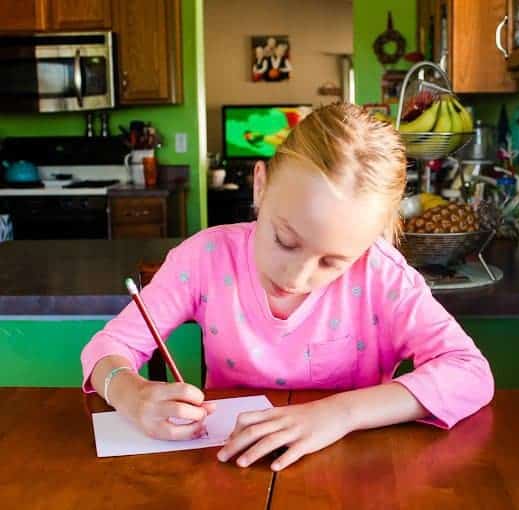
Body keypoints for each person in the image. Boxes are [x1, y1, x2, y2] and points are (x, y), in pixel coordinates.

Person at [81, 103, 494, 472]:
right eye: (285, 240)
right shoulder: (206, 257)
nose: (296, 278)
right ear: (260, 185)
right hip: (233, 467)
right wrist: (129, 393)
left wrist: (341, 414)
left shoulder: (381, 275)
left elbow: (470, 372)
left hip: (352, 471)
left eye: (332, 262)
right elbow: (107, 347)